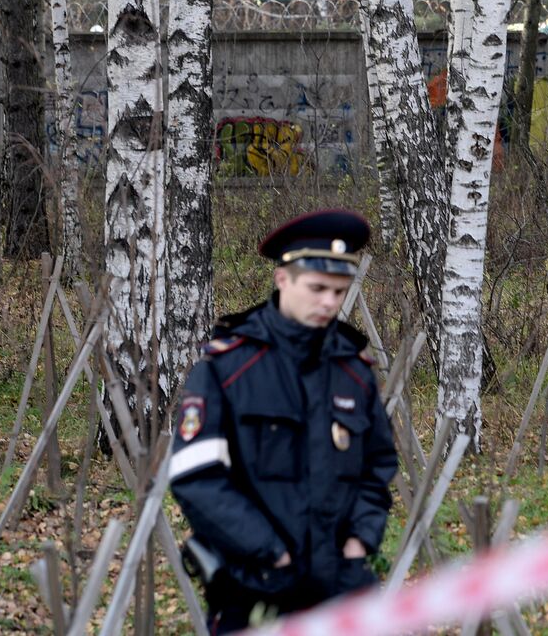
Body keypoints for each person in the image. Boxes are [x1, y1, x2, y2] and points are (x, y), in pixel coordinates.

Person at [169, 209, 398, 634]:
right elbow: (196, 476)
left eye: (338, 290)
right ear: (283, 280)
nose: (329, 302)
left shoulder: (353, 369)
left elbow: (377, 467)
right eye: (317, 288)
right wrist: (271, 553)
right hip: (256, 587)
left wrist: (357, 543)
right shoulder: (229, 365)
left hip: (341, 586)